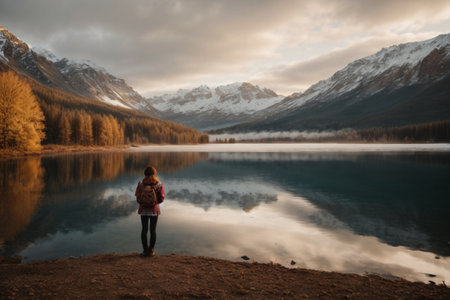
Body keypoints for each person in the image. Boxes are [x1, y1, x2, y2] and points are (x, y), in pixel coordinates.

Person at [135, 165, 165, 257]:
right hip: (154, 210)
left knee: (144, 230)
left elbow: (137, 196)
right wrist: (155, 202)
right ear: (154, 173)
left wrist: (142, 202)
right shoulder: (158, 184)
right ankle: (151, 251)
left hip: (143, 209)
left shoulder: (141, 183)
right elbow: (162, 197)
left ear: (145, 173)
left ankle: (145, 250)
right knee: (153, 230)